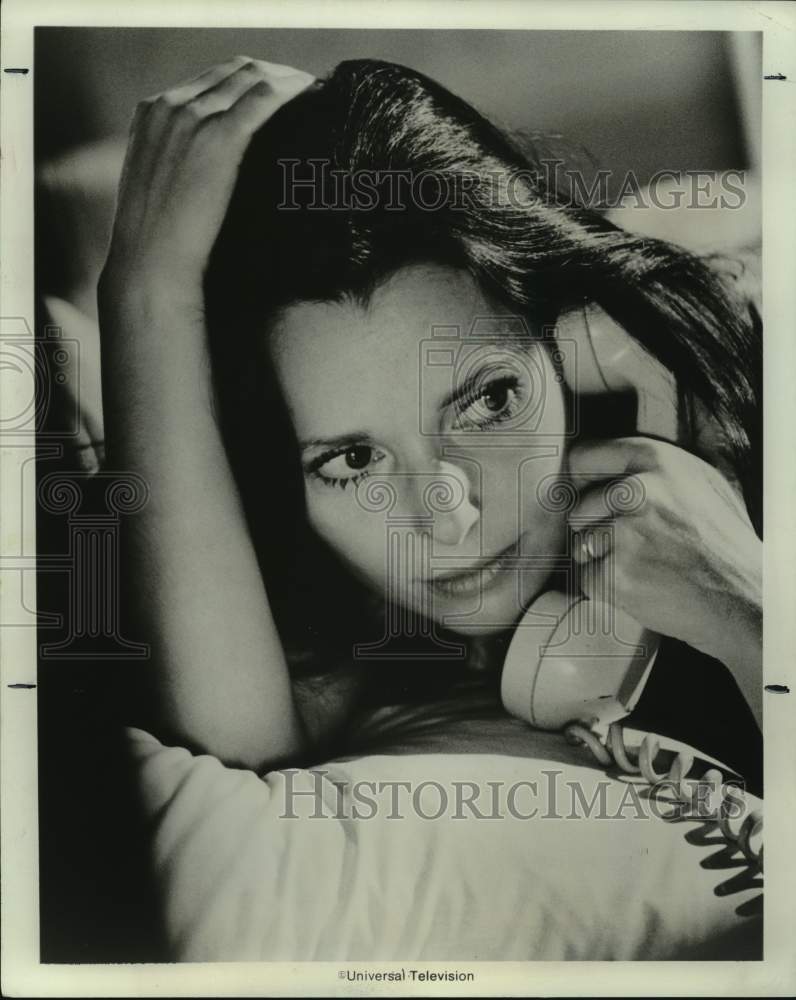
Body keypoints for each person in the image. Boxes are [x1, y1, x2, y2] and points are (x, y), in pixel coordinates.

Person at [98, 55, 762, 784]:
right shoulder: (325, 599)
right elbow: (234, 758)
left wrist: (743, 602)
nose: (448, 522)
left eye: (490, 403)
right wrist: (144, 294)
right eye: (351, 461)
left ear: (578, 344)